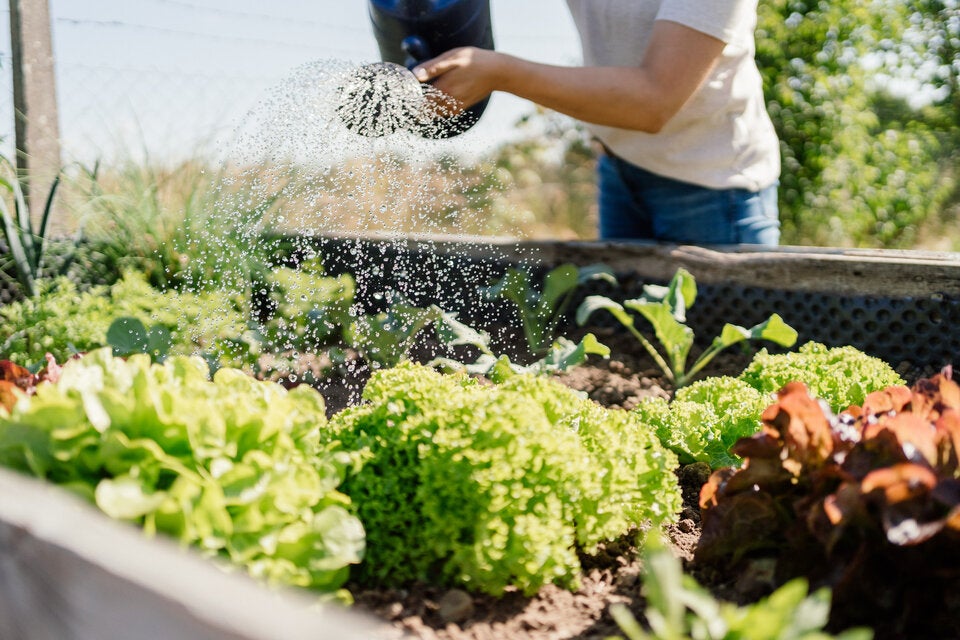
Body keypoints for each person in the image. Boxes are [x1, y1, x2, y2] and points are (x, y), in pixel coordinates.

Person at [411, 0, 781, 246]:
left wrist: (500, 73)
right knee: (626, 331)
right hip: (618, 165)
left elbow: (655, 101)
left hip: (714, 186)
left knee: (719, 336)